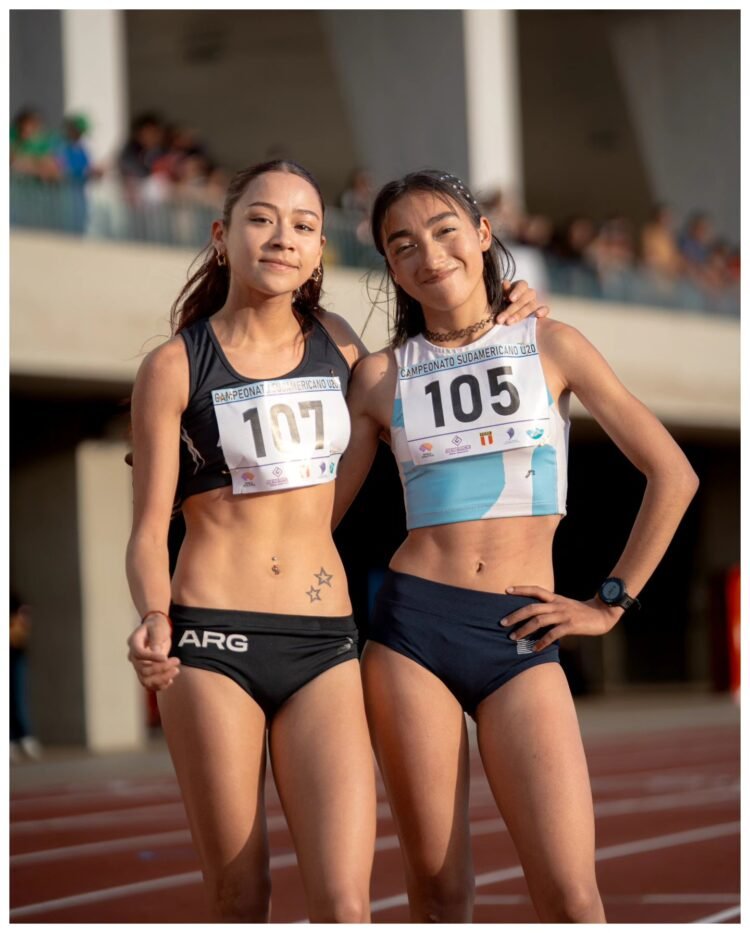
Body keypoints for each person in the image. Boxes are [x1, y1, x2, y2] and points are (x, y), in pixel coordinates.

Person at [124, 156, 549, 921]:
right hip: (212, 639)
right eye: (261, 219)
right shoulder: (174, 365)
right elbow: (149, 528)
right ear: (222, 235)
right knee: (239, 892)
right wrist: (154, 614)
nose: (281, 237)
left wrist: (504, 311)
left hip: (324, 642)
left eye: (303, 225)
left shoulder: (343, 346)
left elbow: (435, 357)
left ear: (320, 249)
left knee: (347, 901)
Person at [333, 169, 699, 922]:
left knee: (571, 893)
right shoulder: (378, 377)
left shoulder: (550, 343)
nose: (429, 253)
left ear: (482, 234)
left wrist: (610, 601)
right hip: (411, 633)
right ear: (390, 267)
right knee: (440, 892)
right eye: (403, 245)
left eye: (444, 231)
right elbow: (314, 515)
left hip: (520, 633)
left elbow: (674, 474)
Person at [10, 593, 42, 762]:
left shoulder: (13, 598)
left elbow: (24, 613)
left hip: (15, 654)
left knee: (18, 696)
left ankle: (24, 736)